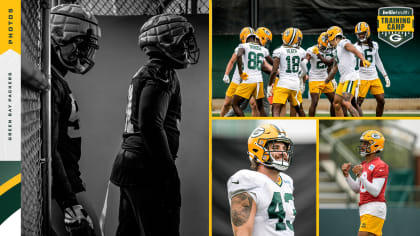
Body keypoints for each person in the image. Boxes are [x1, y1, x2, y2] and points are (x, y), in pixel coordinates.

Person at [110, 13, 199, 236]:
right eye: (183, 39)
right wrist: (169, 173)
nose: (187, 46)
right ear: (166, 40)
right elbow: (150, 125)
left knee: (129, 231)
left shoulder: (148, 71)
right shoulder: (161, 73)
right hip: (146, 166)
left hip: (133, 163)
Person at [50, 4, 101, 235]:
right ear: (59, 38)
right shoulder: (50, 83)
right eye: (79, 44)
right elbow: (51, 150)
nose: (83, 52)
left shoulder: (57, 80)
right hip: (61, 188)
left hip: (70, 180)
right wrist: (71, 203)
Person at [227, 124, 296, 236]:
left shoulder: (287, 182)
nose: (283, 153)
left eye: (285, 148)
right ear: (258, 149)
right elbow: (242, 233)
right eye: (276, 147)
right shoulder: (247, 180)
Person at [342, 130, 389, 236]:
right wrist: (347, 176)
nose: (362, 146)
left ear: (375, 145)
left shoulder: (380, 165)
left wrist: (360, 175)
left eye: (366, 143)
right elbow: (356, 189)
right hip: (365, 207)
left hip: (374, 206)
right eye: (362, 143)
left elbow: (376, 191)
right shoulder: (363, 164)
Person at [223, 27, 273, 117]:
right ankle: (225, 119)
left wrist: (241, 72)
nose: (266, 42)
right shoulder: (261, 49)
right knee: (231, 104)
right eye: (266, 40)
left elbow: (266, 65)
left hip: (247, 80)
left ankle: (244, 122)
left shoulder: (246, 47)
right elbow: (269, 65)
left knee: (249, 105)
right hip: (250, 80)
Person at [324, 26, 371, 117]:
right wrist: (326, 81)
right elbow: (335, 68)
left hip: (350, 77)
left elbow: (352, 48)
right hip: (343, 78)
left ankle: (358, 123)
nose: (327, 40)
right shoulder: (336, 50)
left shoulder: (342, 42)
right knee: (336, 104)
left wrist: (362, 58)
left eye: (328, 37)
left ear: (333, 35)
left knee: (346, 103)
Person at [220, 27, 259, 117]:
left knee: (254, 104)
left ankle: (255, 124)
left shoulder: (257, 49)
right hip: (237, 79)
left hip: (251, 80)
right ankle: (220, 122)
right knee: (226, 104)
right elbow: (232, 61)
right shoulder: (240, 48)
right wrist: (226, 74)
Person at [354, 22, 390, 117]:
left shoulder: (374, 45)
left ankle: (379, 121)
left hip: (374, 76)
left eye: (362, 33)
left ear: (367, 32)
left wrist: (385, 75)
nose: (361, 35)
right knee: (358, 103)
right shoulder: (356, 47)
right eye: (359, 34)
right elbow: (356, 64)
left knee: (381, 101)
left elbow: (378, 61)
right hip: (362, 77)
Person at [269, 27, 307, 117]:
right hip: (295, 84)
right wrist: (302, 80)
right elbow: (304, 70)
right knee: (299, 109)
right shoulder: (301, 51)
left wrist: (269, 85)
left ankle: (276, 128)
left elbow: (274, 70)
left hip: (283, 83)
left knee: (275, 108)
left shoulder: (279, 51)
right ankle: (307, 126)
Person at [304, 32, 336, 117]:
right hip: (314, 79)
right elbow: (305, 60)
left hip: (325, 78)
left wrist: (332, 79)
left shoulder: (332, 50)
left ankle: (332, 119)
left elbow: (329, 64)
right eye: (324, 46)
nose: (326, 48)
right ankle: (310, 121)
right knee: (314, 102)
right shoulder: (312, 49)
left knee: (334, 101)